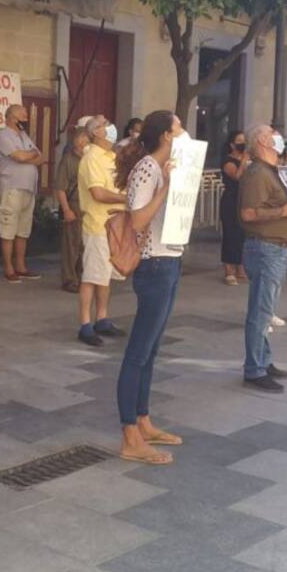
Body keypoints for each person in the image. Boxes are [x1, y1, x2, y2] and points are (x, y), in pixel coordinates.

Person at [115, 110, 186, 465]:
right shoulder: (147, 168)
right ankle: (129, 434)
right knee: (138, 352)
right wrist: (167, 188)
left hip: (170, 260)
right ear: (167, 136)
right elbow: (138, 219)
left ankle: (143, 420)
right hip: (153, 264)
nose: (184, 132)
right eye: (179, 127)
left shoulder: (164, 168)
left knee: (152, 349)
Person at [238, 124, 287, 394]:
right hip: (266, 248)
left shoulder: (272, 171)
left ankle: (263, 360)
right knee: (261, 311)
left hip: (277, 248)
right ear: (263, 141)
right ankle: (254, 368)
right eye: (272, 132)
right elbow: (248, 214)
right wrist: (284, 211)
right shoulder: (257, 174)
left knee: (266, 310)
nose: (278, 135)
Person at [76, 115, 127, 346]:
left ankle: (102, 318)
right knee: (92, 275)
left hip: (115, 223)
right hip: (98, 224)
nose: (110, 126)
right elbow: (98, 193)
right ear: (96, 131)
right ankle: (85, 324)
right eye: (104, 123)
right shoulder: (92, 158)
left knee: (104, 276)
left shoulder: (112, 156)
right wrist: (126, 198)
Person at [0, 104, 44, 283]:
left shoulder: (24, 136)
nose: (25, 118)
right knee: (8, 228)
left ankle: (21, 266)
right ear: (11, 117)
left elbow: (41, 157)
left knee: (23, 230)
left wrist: (29, 155)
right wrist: (29, 155)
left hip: (29, 188)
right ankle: (8, 267)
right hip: (12, 187)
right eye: (22, 115)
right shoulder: (4, 135)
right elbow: (20, 157)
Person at [54, 118, 91, 294]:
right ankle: (69, 279)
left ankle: (83, 276)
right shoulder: (68, 160)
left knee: (86, 244)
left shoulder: (92, 159)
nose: (83, 141)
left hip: (91, 206)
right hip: (74, 204)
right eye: (81, 138)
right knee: (71, 244)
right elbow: (60, 188)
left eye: (86, 138)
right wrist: (66, 209)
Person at [220, 130, 249, 286]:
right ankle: (228, 270)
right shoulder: (228, 161)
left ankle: (240, 267)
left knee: (242, 235)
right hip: (231, 201)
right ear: (232, 144)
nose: (242, 144)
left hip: (244, 200)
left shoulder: (247, 159)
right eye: (239, 141)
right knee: (230, 234)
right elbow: (236, 177)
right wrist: (244, 161)